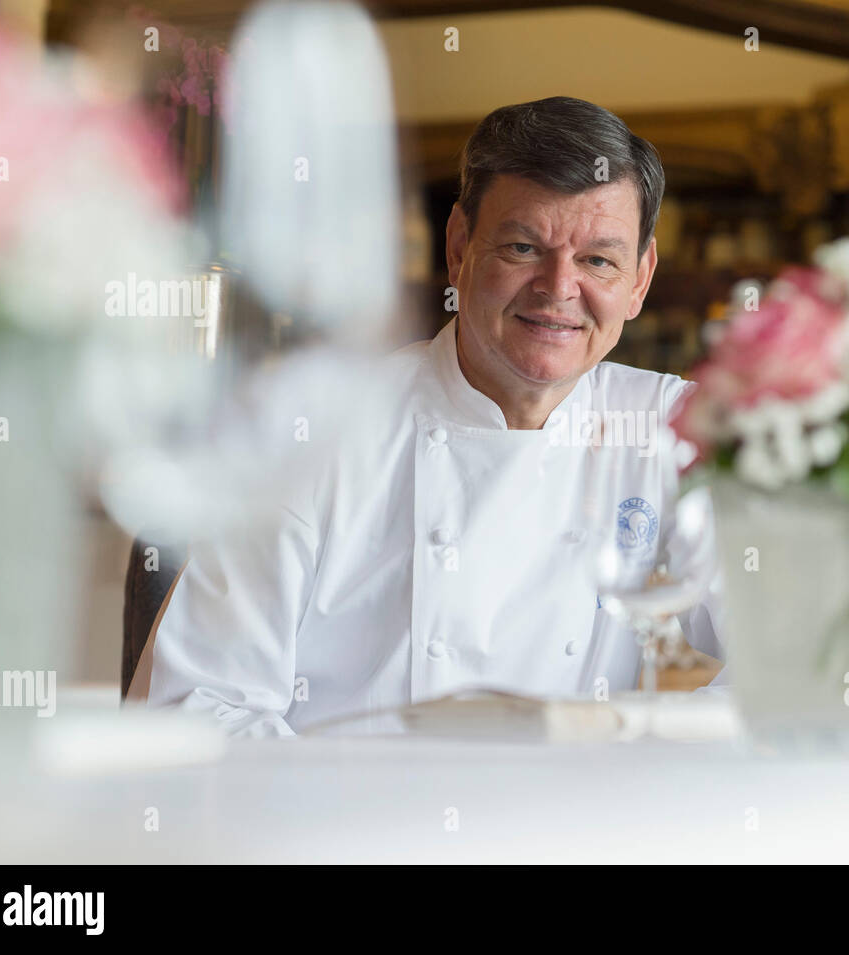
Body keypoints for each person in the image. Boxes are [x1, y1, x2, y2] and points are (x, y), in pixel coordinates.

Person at [131, 96, 726, 736]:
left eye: (598, 261)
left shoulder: (676, 429)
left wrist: (632, 752)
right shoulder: (316, 429)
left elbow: (792, 674)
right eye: (524, 247)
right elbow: (199, 706)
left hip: (571, 823)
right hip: (346, 820)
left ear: (640, 280)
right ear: (459, 247)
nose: (558, 289)